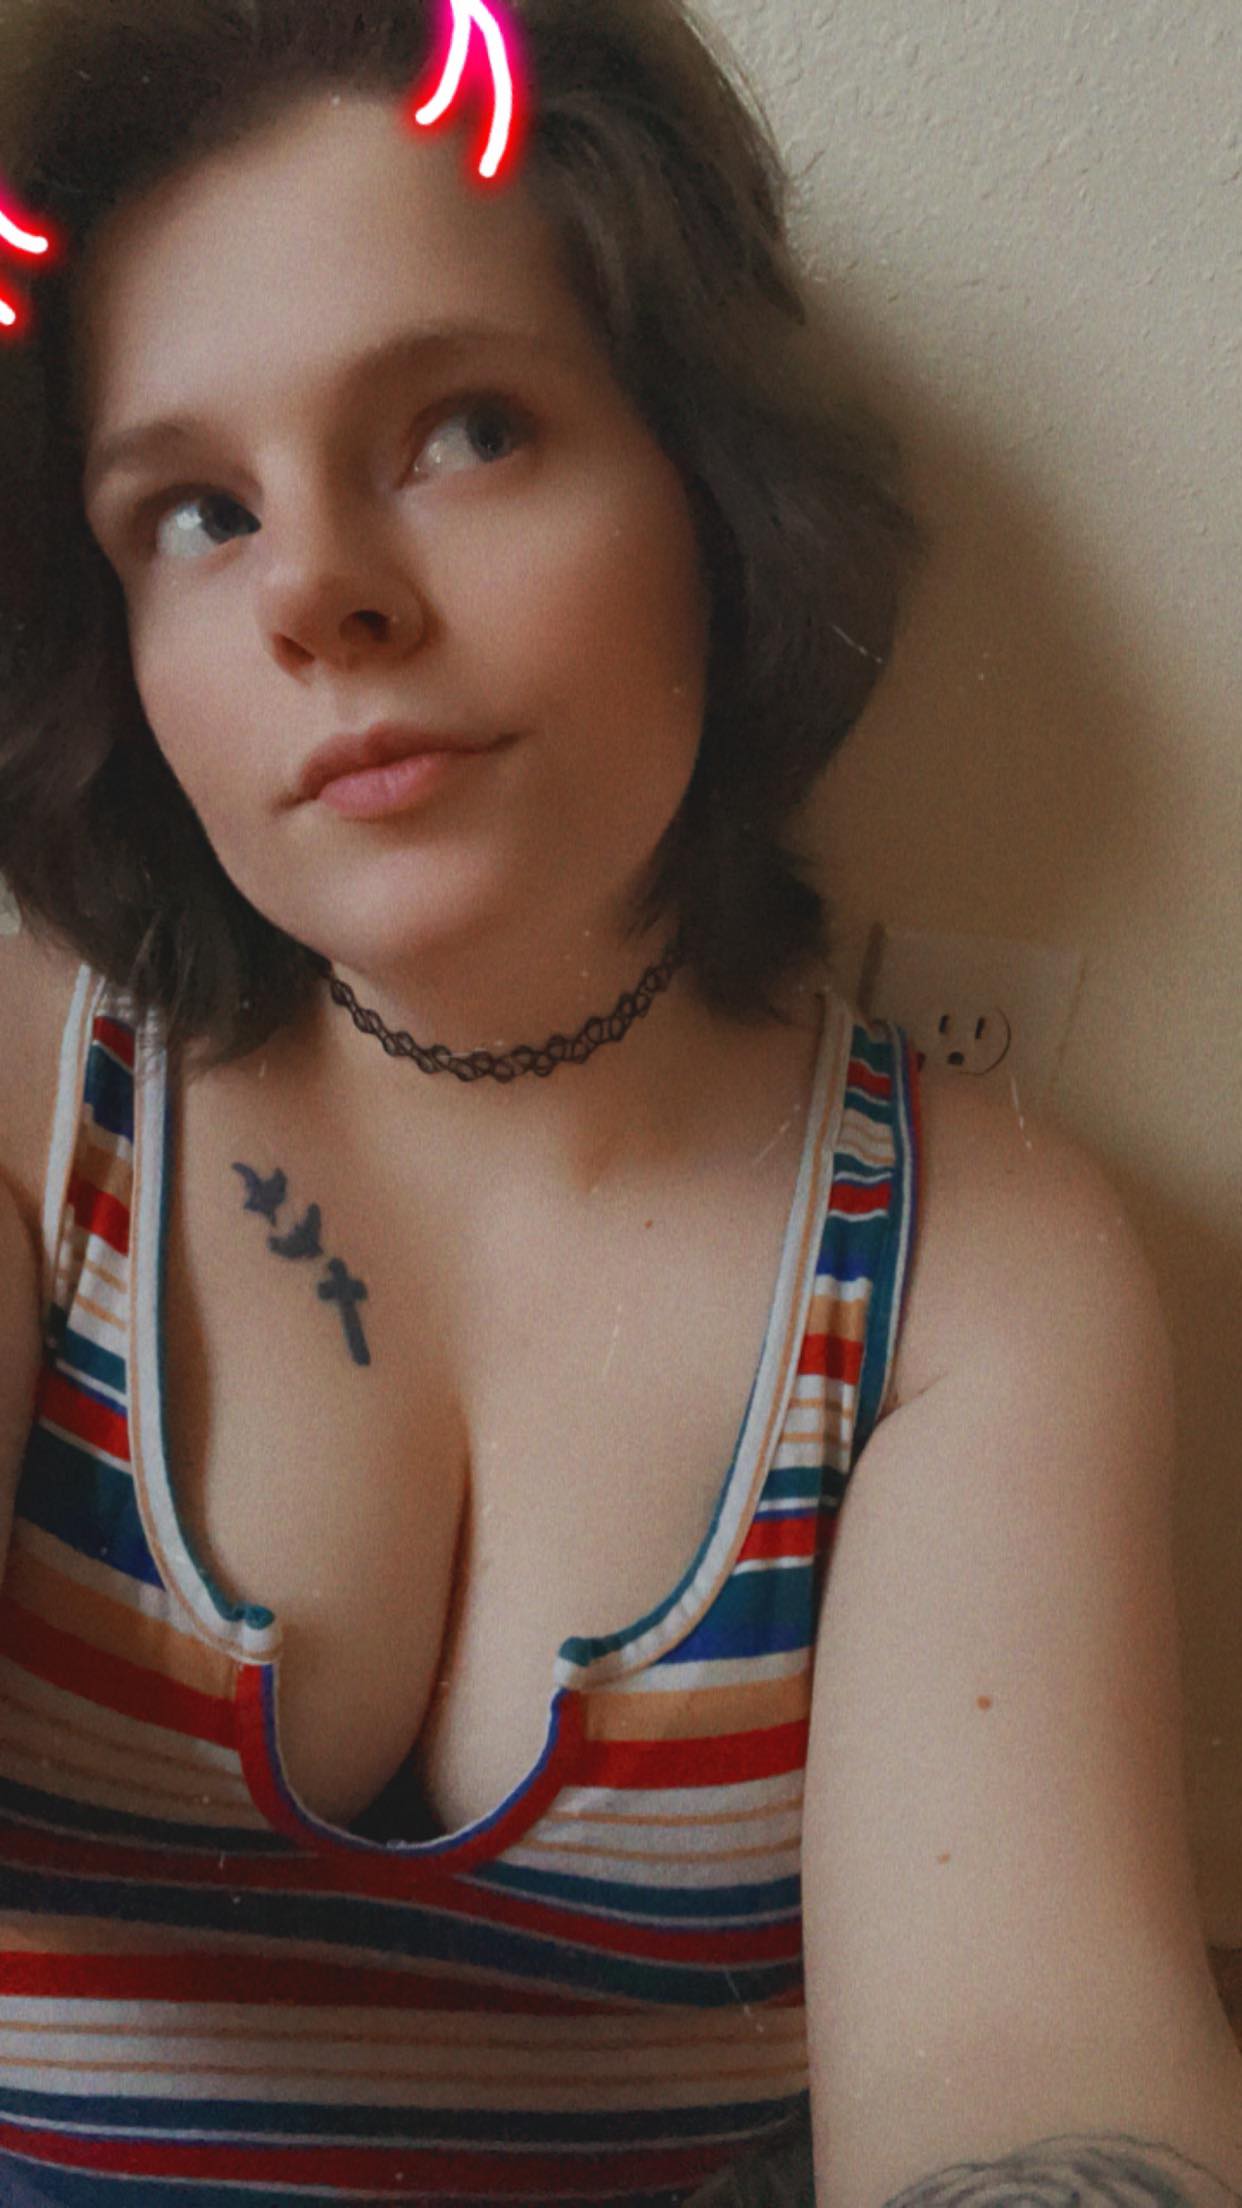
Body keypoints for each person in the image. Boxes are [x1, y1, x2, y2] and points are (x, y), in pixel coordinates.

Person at [1, 2, 1241, 2203]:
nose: (316, 592)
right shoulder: (30, 1096)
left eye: (464, 428)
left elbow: (1034, 2071)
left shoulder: (970, 1270)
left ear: (709, 486)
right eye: (194, 511)